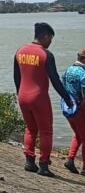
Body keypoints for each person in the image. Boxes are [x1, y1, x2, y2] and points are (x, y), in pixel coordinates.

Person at [13, 22, 72, 177]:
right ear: (45, 36)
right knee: (46, 131)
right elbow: (55, 80)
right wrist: (67, 98)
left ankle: (29, 161)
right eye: (50, 39)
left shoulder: (20, 51)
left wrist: (20, 95)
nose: (50, 42)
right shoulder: (46, 54)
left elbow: (16, 77)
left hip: (23, 96)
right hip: (39, 97)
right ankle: (44, 165)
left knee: (30, 129)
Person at [61, 48, 85, 179]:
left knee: (78, 135)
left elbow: (62, 88)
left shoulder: (67, 70)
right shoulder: (84, 74)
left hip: (67, 108)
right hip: (78, 109)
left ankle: (70, 160)